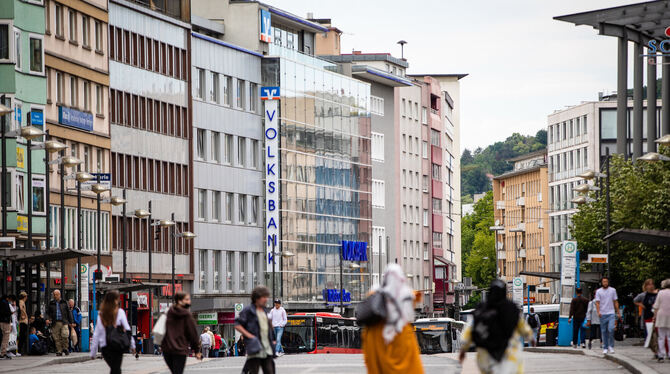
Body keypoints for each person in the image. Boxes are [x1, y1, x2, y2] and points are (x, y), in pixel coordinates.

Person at [459, 279, 534, 374]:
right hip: (509, 351)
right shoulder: (511, 308)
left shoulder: (481, 309)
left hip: (485, 353)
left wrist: (464, 349)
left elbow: (470, 329)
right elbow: (522, 325)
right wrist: (530, 337)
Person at [362, 264, 424, 374]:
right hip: (401, 339)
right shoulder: (406, 297)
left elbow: (370, 358)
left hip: (378, 343)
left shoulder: (373, 325)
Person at [90, 291, 135, 374]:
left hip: (106, 347)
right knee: (116, 369)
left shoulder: (101, 314)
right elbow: (127, 329)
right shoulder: (120, 312)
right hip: (118, 345)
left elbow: (96, 333)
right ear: (114, 300)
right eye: (117, 299)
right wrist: (132, 345)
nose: (118, 301)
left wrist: (93, 352)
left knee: (115, 369)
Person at [235, 286, 276, 374]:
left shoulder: (265, 310)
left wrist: (273, 339)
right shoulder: (248, 310)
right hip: (255, 347)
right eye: (264, 297)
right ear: (256, 298)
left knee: (270, 371)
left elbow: (268, 326)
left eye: (267, 297)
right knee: (254, 371)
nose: (266, 299)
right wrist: (250, 336)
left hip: (267, 348)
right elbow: (237, 324)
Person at [161, 292, 202, 374]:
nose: (189, 302)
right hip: (180, 349)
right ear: (179, 301)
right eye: (186, 299)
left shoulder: (168, 312)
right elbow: (192, 334)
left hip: (167, 349)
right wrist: (197, 351)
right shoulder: (186, 315)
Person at [595, 277, 620, 354]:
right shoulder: (599, 291)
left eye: (606, 281)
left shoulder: (613, 290)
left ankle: (611, 346)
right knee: (604, 331)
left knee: (611, 329)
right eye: (603, 282)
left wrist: (618, 312)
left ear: (608, 282)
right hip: (603, 313)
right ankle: (605, 347)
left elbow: (615, 301)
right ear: (601, 283)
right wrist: (598, 312)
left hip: (611, 312)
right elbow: (597, 303)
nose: (605, 283)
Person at [46, 289, 72, 356]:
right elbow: (48, 312)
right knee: (56, 337)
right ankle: (59, 350)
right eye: (54, 295)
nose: (55, 296)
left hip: (64, 321)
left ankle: (65, 348)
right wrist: (47, 319)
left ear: (59, 295)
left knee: (65, 335)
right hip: (55, 322)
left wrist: (71, 321)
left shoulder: (64, 302)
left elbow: (69, 312)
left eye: (56, 295)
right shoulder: (51, 303)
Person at [653, 279, 670, 363]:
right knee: (669, 337)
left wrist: (654, 316)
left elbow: (656, 306)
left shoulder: (660, 293)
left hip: (661, 316)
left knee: (661, 337)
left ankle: (661, 355)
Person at [0, 295, 12, 360]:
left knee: (4, 337)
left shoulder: (2, 302)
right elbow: (7, 312)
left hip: (2, 322)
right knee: (5, 337)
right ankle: (3, 353)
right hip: (5, 322)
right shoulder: (5, 303)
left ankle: (3, 352)